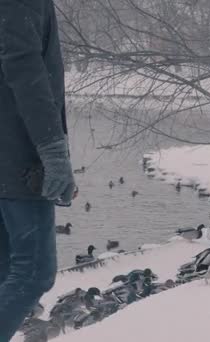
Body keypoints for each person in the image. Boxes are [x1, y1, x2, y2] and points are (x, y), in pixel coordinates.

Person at [0, 0, 75, 339]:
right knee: (34, 271)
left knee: (6, 271)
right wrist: (53, 149)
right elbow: (24, 67)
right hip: (17, 156)